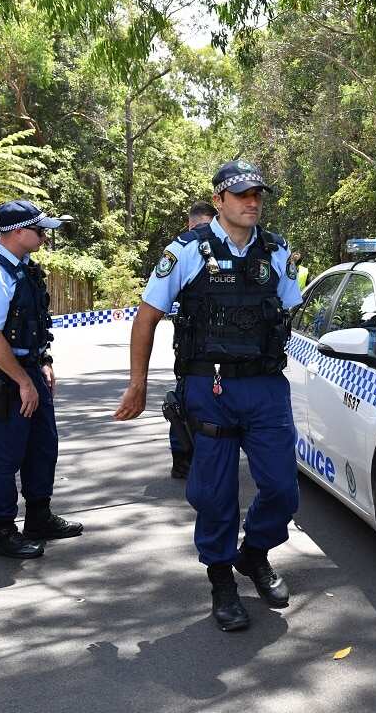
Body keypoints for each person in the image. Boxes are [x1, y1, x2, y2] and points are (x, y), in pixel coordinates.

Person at [114, 161, 303, 632]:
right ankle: (221, 577)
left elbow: (291, 316)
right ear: (218, 200)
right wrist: (137, 383)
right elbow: (146, 317)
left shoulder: (277, 252)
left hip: (264, 386)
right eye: (241, 195)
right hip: (209, 385)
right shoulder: (186, 253)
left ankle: (253, 554)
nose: (252, 202)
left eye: (258, 194)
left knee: (282, 488)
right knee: (214, 494)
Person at [0, 200, 84, 559]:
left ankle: (38, 516)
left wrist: (43, 362)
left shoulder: (24, 269)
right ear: (17, 232)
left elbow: (33, 325)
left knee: (42, 445)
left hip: (28, 368)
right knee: (4, 453)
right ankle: (3, 531)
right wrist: (22, 381)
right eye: (39, 230)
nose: (45, 237)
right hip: (3, 374)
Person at [168, 201, 218, 479]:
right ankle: (183, 457)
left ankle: (196, 456)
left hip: (212, 349)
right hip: (193, 346)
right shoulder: (183, 250)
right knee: (183, 401)